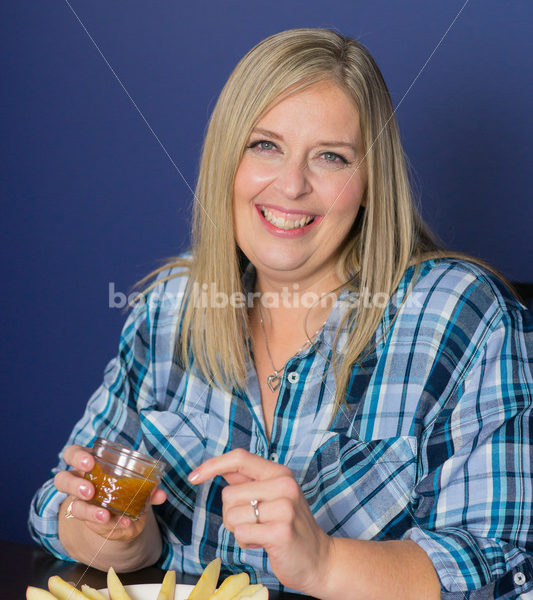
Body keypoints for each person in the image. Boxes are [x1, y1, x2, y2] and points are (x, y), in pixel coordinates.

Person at [29, 28, 532, 599]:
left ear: (369, 184)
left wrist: (326, 562)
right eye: (265, 145)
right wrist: (118, 537)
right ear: (228, 161)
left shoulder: (461, 316)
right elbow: (57, 508)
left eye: (331, 157)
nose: (291, 185)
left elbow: (508, 567)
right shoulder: (168, 307)